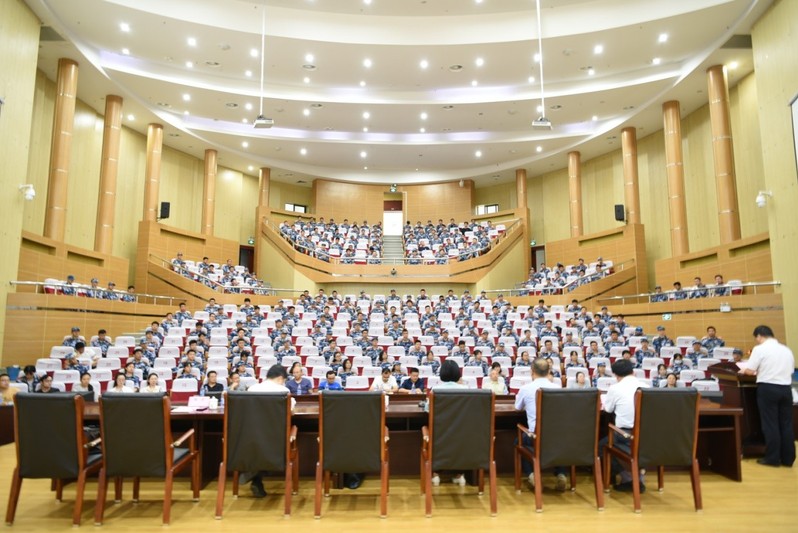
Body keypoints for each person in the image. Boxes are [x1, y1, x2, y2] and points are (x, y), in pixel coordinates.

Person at [741, 325, 795, 467]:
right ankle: (788, 458)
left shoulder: (760, 349)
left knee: (770, 424)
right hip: (786, 389)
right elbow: (790, 370)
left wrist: (745, 370)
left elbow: (750, 370)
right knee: (786, 424)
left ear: (759, 336)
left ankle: (772, 458)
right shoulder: (786, 349)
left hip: (768, 388)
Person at [514, 358, 566, 490]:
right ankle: (561, 474)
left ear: (532, 371)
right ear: (549, 372)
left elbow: (517, 408)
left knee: (518, 441)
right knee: (558, 440)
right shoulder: (558, 388)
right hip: (557, 436)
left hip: (535, 437)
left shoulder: (526, 389)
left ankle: (532, 475)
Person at [600, 359, 649, 492]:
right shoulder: (646, 386)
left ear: (616, 375)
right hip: (647, 436)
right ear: (633, 371)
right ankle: (639, 475)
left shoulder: (615, 388)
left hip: (626, 435)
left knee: (600, 447)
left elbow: (608, 409)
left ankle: (629, 478)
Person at [246, 365, 293, 498]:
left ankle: (253, 476)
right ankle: (256, 477)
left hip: (252, 437)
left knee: (260, 448)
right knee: (276, 446)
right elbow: (291, 411)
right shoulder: (283, 391)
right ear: (280, 378)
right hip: (276, 439)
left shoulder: (252, 389)